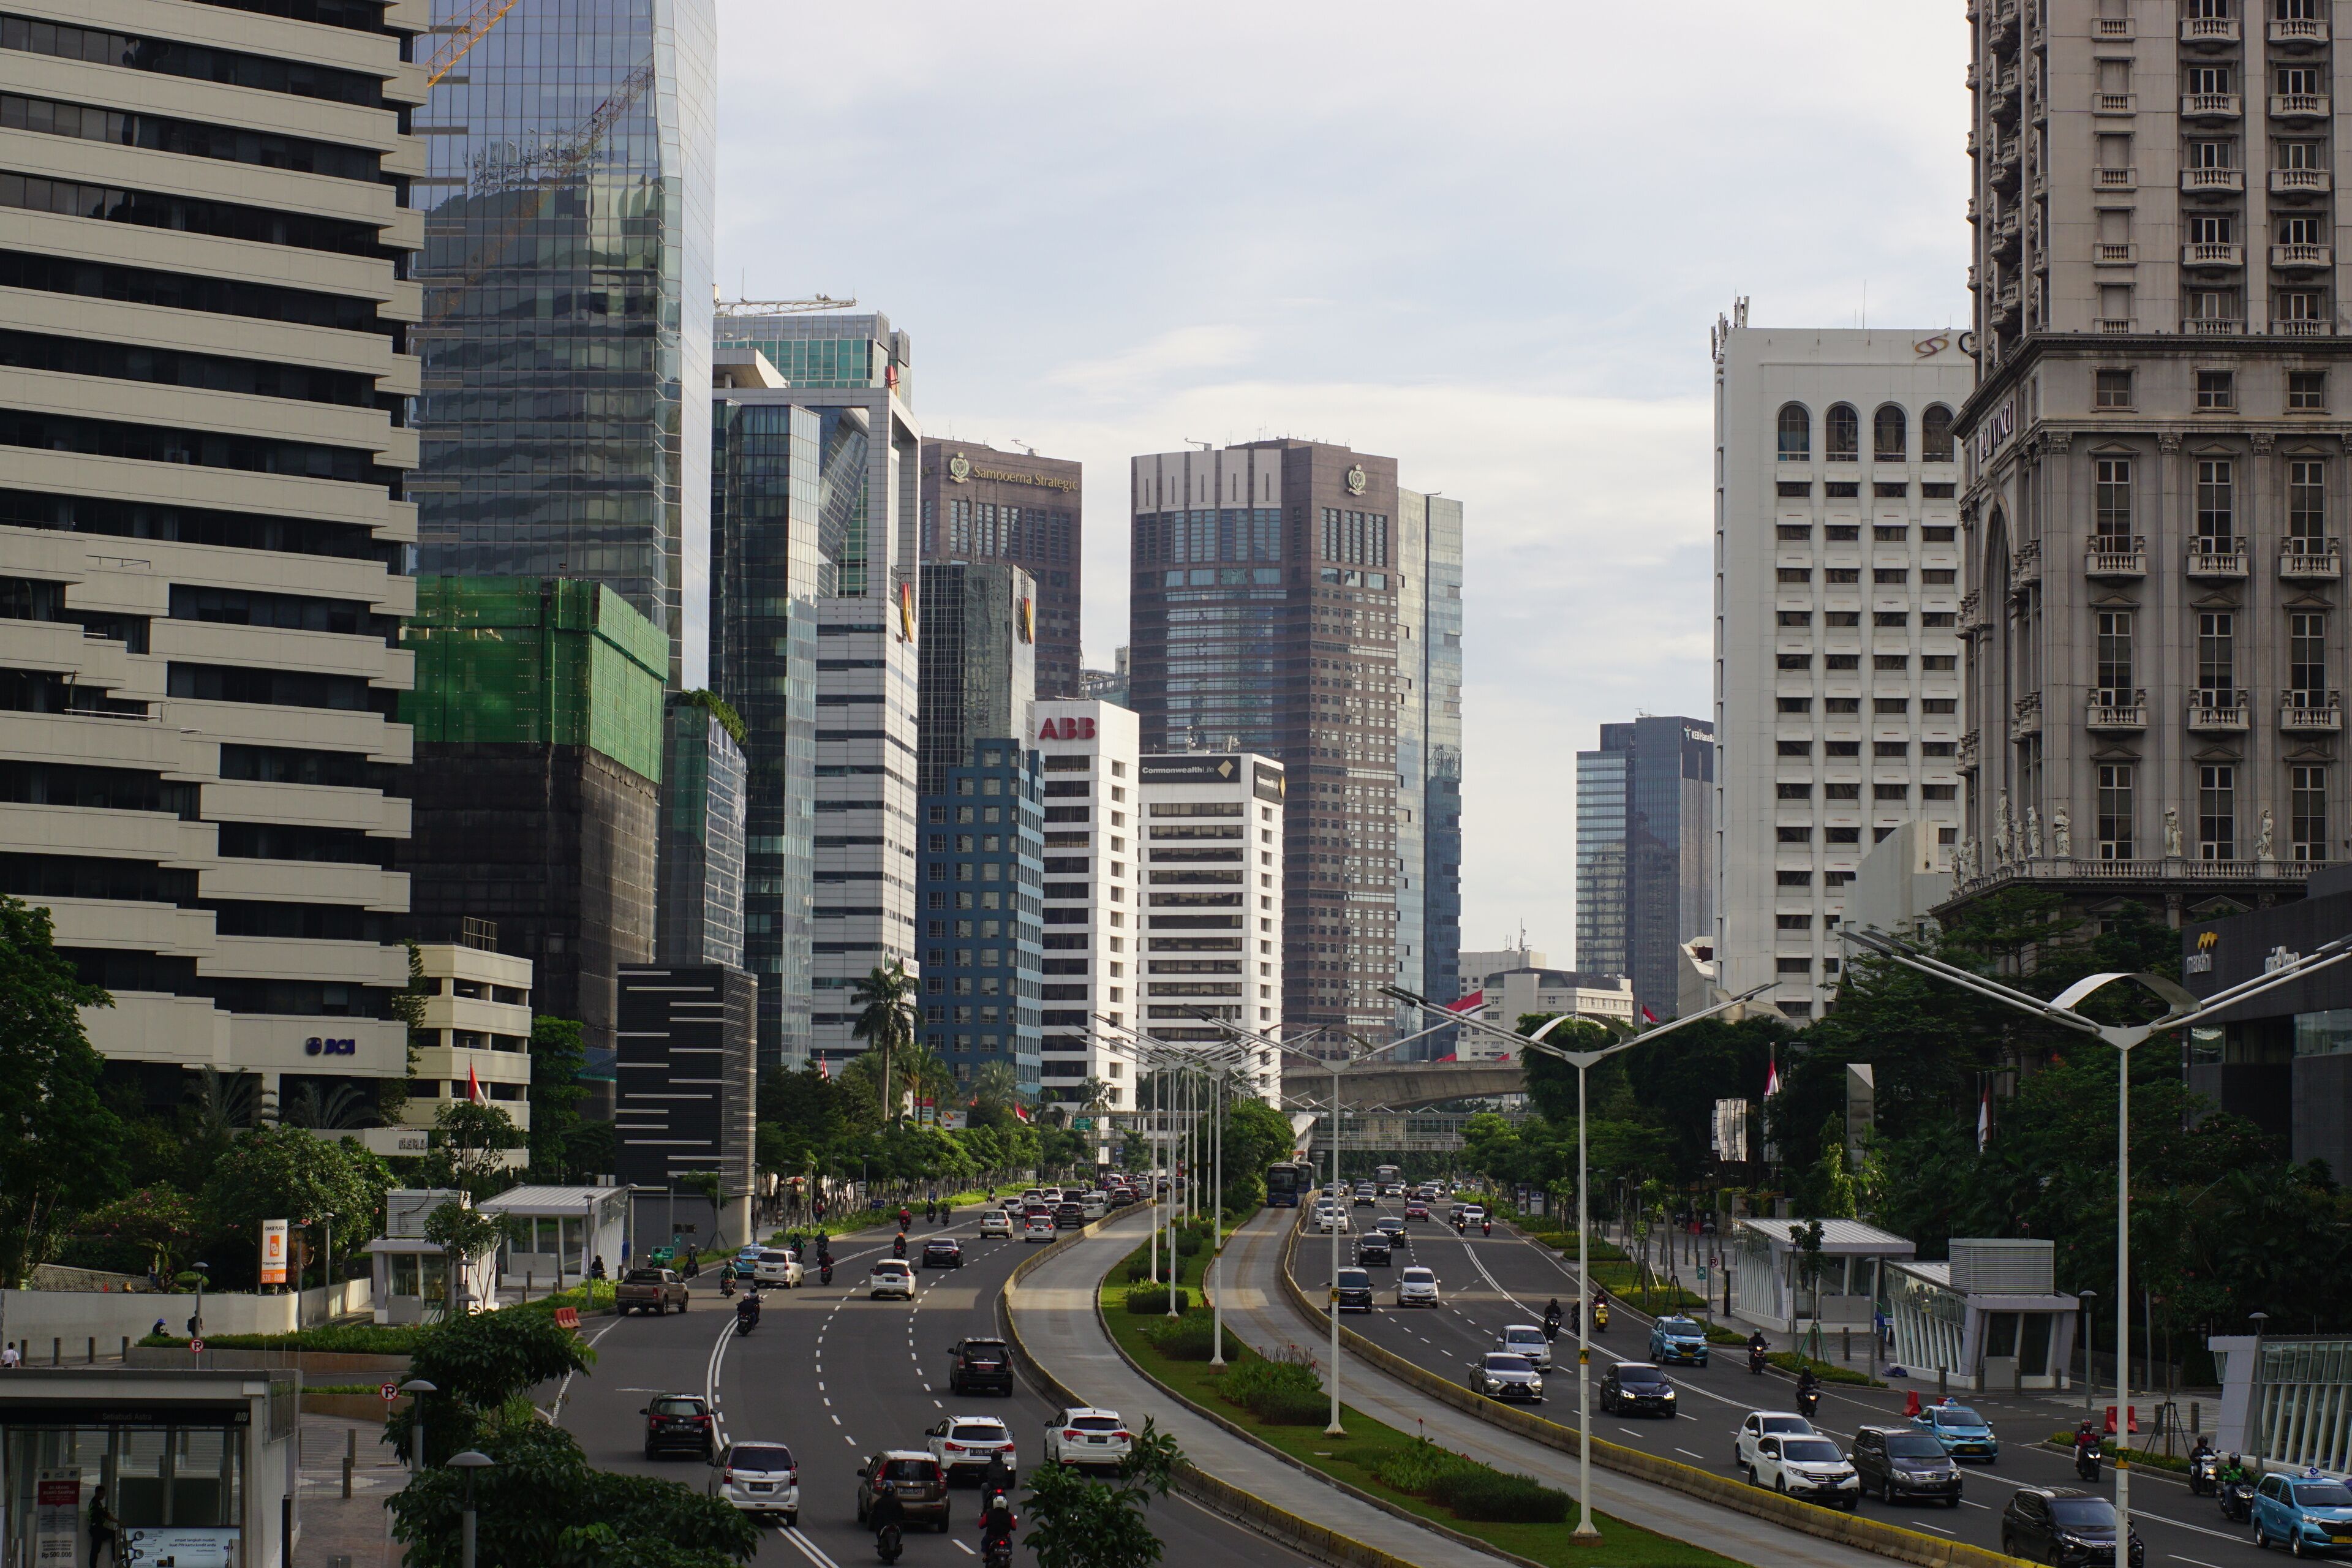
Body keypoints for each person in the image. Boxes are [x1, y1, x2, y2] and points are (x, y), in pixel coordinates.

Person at [87, 1484, 115, 1568]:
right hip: (97, 1529)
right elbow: (106, 1515)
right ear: (96, 1493)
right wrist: (118, 1521)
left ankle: (93, 1566)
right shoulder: (95, 1504)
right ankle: (115, 1557)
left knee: (96, 1550)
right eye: (101, 1494)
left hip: (98, 1529)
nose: (102, 1496)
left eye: (103, 1494)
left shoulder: (97, 1503)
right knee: (95, 1550)